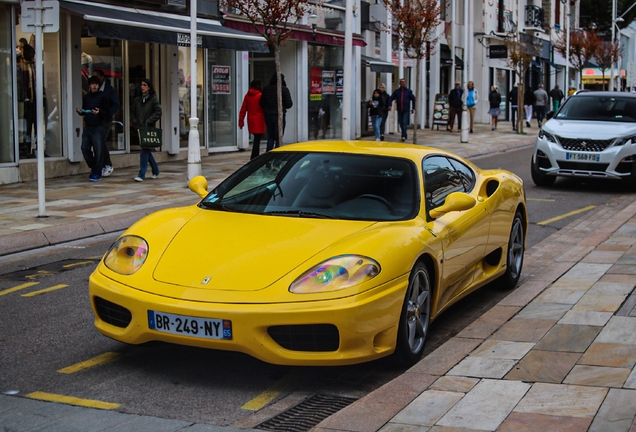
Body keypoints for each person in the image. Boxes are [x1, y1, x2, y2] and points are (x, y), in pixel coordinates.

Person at [76, 75, 110, 182]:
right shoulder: (87, 97)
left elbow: (107, 113)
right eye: (92, 84)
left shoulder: (103, 96)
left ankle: (97, 172)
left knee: (98, 150)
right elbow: (86, 110)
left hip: (98, 127)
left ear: (99, 85)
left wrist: (99, 113)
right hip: (88, 126)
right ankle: (94, 167)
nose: (94, 86)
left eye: (96, 84)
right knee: (84, 148)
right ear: (89, 85)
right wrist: (81, 112)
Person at [131, 78, 161, 182]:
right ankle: (156, 170)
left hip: (148, 128)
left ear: (149, 87)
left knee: (144, 151)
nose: (142, 87)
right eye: (141, 85)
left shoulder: (153, 99)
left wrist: (149, 121)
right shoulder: (137, 100)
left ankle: (141, 174)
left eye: (145, 85)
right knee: (147, 150)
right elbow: (133, 112)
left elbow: (158, 111)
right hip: (140, 128)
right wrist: (135, 122)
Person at [92, 69, 120, 177]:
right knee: (95, 142)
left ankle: (107, 164)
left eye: (97, 77)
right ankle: (100, 165)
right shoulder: (93, 90)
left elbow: (116, 104)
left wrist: (108, 113)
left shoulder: (109, 90)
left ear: (102, 78)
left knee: (101, 141)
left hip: (105, 120)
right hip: (94, 120)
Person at [260, 73, 293, 151]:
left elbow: (261, 103)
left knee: (270, 136)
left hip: (268, 115)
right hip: (279, 115)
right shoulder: (284, 89)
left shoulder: (266, 89)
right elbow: (289, 104)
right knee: (279, 137)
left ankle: (268, 154)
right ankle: (278, 154)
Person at [238, 80, 266, 160]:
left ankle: (254, 156)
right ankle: (255, 157)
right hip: (260, 118)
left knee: (256, 139)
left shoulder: (247, 96)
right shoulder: (260, 95)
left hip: (251, 119)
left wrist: (241, 122)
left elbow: (243, 110)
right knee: (258, 140)